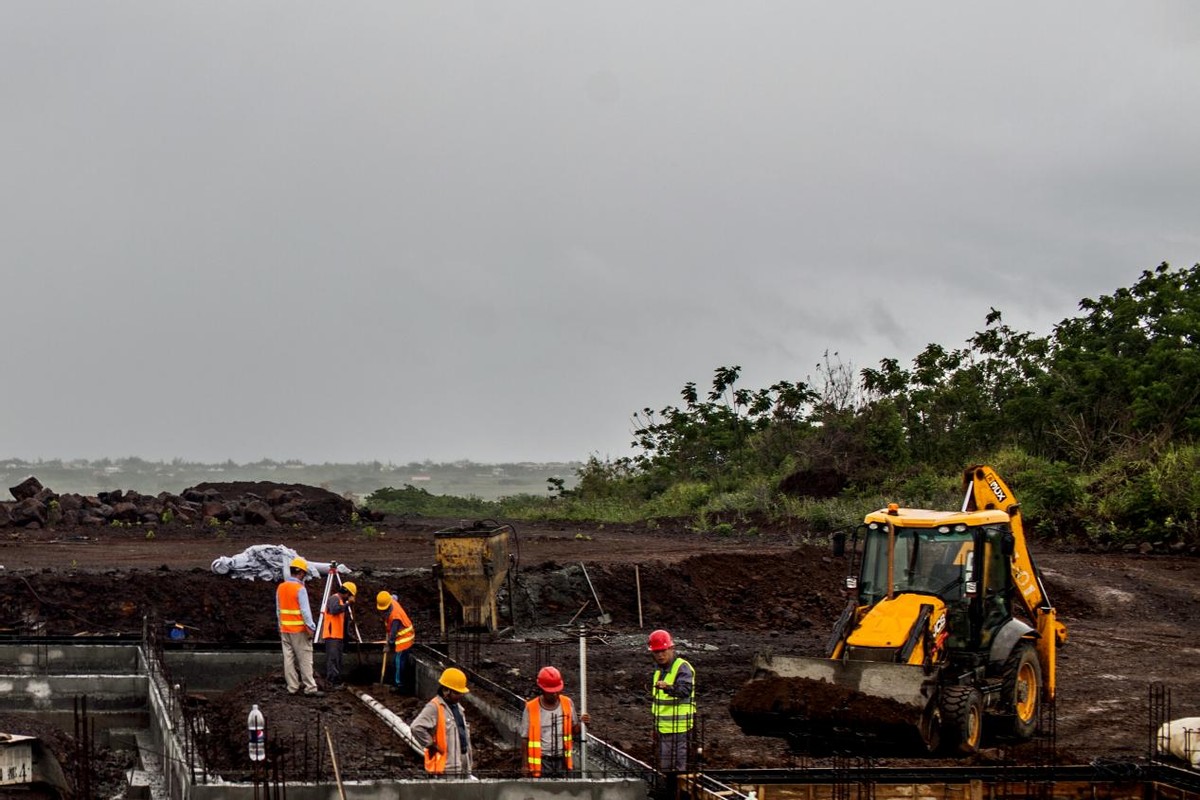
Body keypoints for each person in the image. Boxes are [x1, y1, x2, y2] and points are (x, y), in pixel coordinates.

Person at [520, 666, 590, 777]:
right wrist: (525, 765)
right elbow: (525, 738)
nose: (555, 694)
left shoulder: (567, 703)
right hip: (542, 761)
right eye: (551, 692)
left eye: (557, 691)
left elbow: (574, 731)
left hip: (562, 760)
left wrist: (583, 723)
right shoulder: (531, 708)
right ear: (542, 689)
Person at [411, 667, 473, 777]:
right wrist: (431, 745)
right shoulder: (434, 707)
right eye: (457, 693)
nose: (461, 695)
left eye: (461, 692)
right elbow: (416, 727)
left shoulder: (458, 708)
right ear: (446, 690)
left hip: (462, 762)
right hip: (447, 766)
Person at [276, 557, 323, 697]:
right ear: (301, 573)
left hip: (285, 629)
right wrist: (311, 628)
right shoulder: (300, 589)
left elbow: (278, 610)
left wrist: (280, 626)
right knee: (305, 658)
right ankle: (310, 687)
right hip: (299, 630)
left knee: (288, 659)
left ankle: (292, 687)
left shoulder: (281, 587)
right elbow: (305, 611)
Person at [648, 628, 695, 772]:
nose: (660, 655)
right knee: (665, 767)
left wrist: (668, 687)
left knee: (680, 768)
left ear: (671, 649)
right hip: (663, 728)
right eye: (657, 652)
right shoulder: (659, 670)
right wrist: (655, 727)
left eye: (663, 651)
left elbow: (685, 690)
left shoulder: (682, 667)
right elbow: (658, 703)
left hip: (680, 727)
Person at [376, 590, 415, 694]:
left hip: (405, 638)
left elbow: (393, 635)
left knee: (398, 661)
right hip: (400, 636)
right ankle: (398, 682)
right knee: (396, 661)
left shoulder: (395, 617)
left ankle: (399, 685)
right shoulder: (391, 600)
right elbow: (395, 597)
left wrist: (388, 645)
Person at [321, 580, 356, 689]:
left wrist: (348, 636)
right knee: (333, 659)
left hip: (338, 636)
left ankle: (336, 680)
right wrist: (348, 604)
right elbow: (334, 610)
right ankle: (332, 682)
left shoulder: (341, 602)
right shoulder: (334, 599)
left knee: (337, 660)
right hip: (332, 635)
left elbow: (343, 622)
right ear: (347, 593)